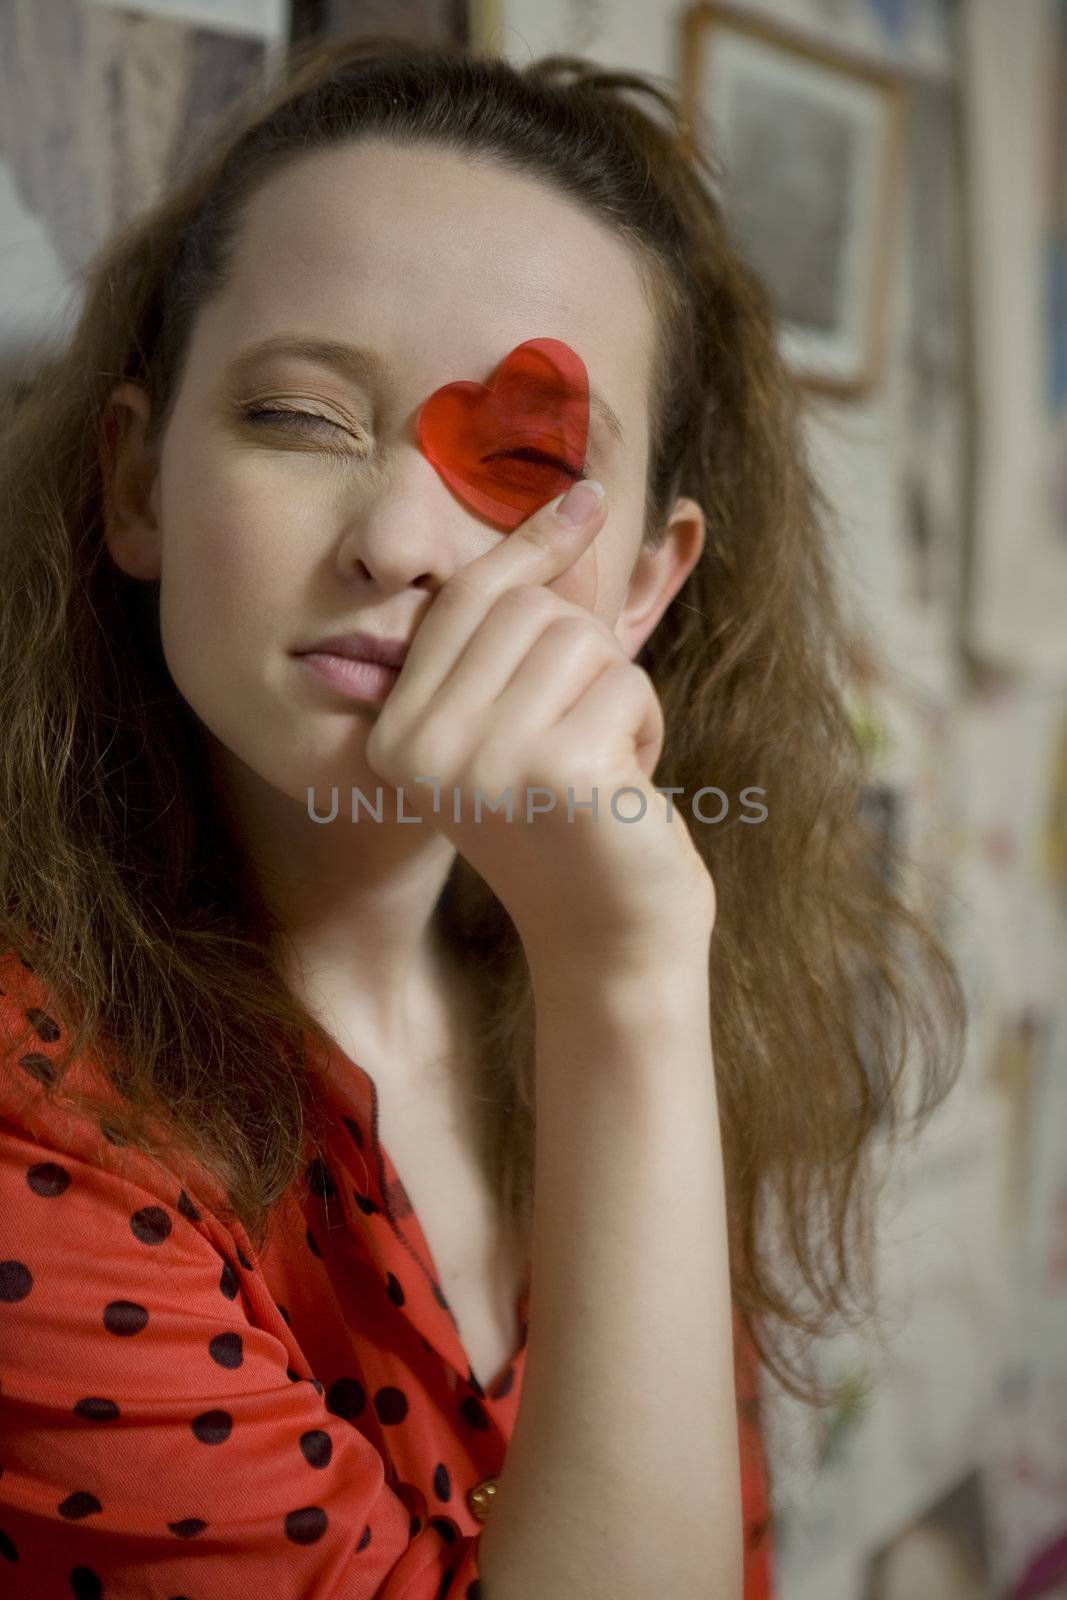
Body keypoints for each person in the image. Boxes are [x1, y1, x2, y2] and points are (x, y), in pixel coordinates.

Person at [0, 32, 966, 1600]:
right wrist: (628, 974)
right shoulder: (34, 1106)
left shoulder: (590, 1011)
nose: (396, 538)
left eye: (519, 463)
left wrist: (623, 983)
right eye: (301, 420)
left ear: (650, 586)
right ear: (138, 487)